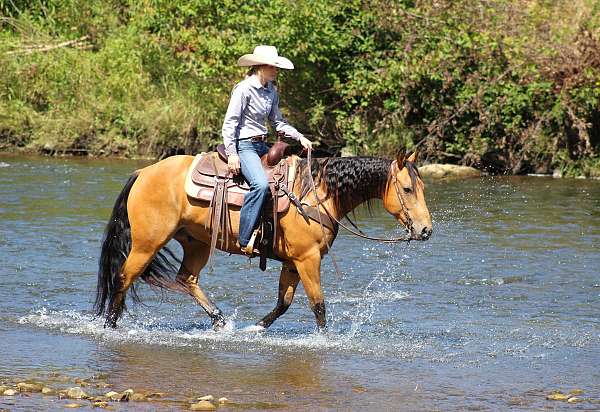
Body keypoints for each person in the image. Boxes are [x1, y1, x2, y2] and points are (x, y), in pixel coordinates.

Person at [221, 45, 313, 255]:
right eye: (273, 67)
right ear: (261, 66)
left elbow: (277, 122)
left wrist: (300, 137)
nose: (276, 71)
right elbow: (230, 124)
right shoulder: (243, 89)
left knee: (291, 177)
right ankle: (243, 239)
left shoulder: (271, 90)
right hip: (244, 145)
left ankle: (275, 233)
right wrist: (233, 153)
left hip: (262, 144)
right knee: (261, 185)